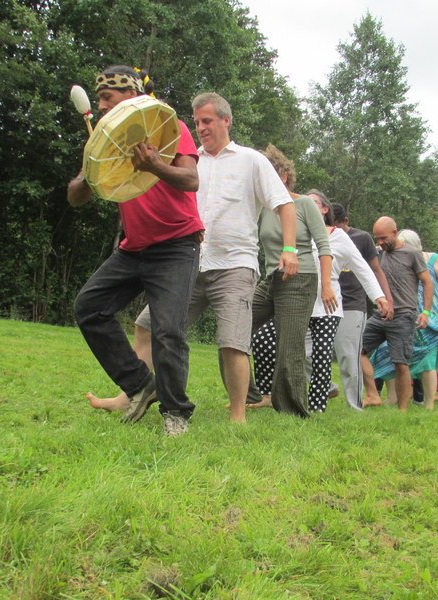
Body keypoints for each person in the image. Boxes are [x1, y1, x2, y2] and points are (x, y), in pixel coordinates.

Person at [130, 93, 299, 423]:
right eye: (196, 122)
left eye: (206, 121)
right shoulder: (190, 162)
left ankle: (238, 415)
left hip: (235, 266)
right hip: (190, 264)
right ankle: (132, 394)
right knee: (146, 326)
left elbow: (285, 204)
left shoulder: (251, 160)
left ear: (226, 120)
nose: (200, 128)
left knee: (232, 342)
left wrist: (289, 249)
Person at [69, 66, 204, 436]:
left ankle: (176, 414)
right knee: (89, 308)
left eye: (106, 98)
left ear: (129, 96)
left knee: (167, 331)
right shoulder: (103, 141)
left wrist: (155, 164)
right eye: (97, 100)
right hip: (134, 249)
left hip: (176, 246)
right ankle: (141, 385)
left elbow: (191, 180)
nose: (99, 106)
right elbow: (75, 197)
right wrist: (87, 175)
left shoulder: (166, 127)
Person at [250, 188, 390, 413]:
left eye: (313, 202)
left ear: (325, 209)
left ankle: (318, 407)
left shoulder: (338, 236)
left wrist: (379, 296)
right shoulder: (294, 231)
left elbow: (362, 268)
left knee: (322, 355)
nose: (305, 204)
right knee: (268, 341)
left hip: (327, 307)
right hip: (297, 306)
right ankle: (267, 395)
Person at [370, 229, 438, 410]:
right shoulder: (391, 256)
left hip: (430, 317)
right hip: (399, 314)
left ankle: (429, 404)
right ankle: (392, 398)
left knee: (428, 362)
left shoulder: (432, 258)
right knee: (389, 354)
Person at [360, 217, 433, 410]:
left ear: (395, 232)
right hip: (380, 315)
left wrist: (426, 311)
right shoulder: (378, 254)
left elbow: (427, 282)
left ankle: (402, 410)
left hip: (404, 315)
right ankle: (373, 395)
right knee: (357, 349)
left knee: (400, 363)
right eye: (378, 238)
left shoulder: (412, 253)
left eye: (384, 238)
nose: (381, 242)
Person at [328, 202, 393, 409]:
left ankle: (356, 404)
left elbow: (374, 270)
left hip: (353, 304)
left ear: (346, 221)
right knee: (306, 351)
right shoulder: (320, 235)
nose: (334, 230)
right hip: (326, 302)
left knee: (349, 355)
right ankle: (327, 387)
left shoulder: (361, 238)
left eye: (337, 225)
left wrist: (384, 297)